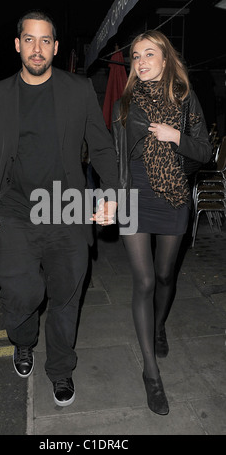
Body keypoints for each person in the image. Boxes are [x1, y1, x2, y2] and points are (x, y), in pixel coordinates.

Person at [0, 10, 118, 407]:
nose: (37, 48)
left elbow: (100, 147)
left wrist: (113, 194)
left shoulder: (78, 90)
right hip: (12, 213)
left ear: (56, 47)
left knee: (66, 296)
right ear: (17, 45)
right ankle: (24, 340)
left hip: (66, 210)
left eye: (45, 40)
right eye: (29, 39)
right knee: (20, 291)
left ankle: (61, 370)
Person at [112, 30, 212, 415]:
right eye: (135, 56)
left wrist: (176, 138)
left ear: (166, 59)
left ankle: (159, 326)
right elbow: (112, 154)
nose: (140, 61)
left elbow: (204, 150)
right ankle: (151, 374)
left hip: (172, 197)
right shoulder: (127, 102)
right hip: (134, 194)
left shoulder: (186, 99)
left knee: (166, 276)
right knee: (145, 280)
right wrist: (109, 197)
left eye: (148, 53)